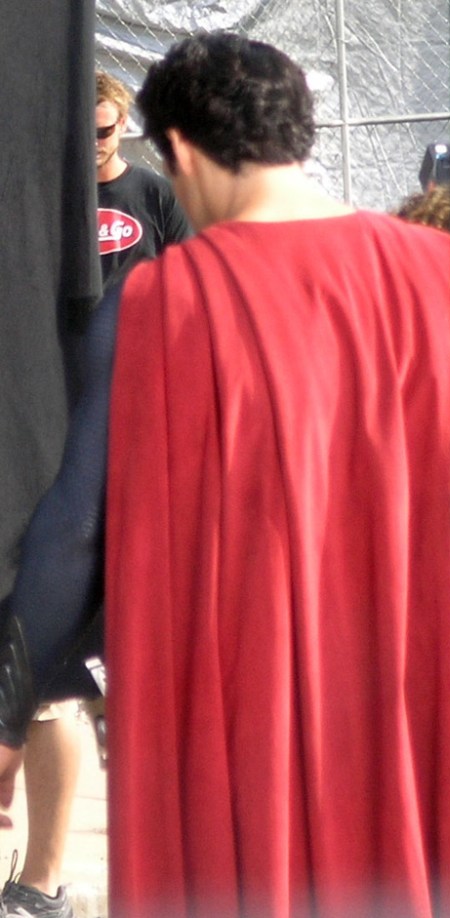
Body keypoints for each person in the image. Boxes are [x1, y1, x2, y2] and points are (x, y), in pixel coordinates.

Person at [0, 32, 450, 917]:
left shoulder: (162, 306)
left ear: (180, 152)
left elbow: (74, 529)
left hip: (262, 720)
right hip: (438, 694)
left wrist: (8, 714)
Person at [0, 70, 191, 918]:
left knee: (113, 667)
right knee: (53, 677)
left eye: (110, 131)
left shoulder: (151, 196)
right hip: (50, 436)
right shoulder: (38, 207)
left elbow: (195, 294)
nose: (99, 147)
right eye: (87, 134)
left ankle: (73, 874)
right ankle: (44, 881)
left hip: (138, 441)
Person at [95, 70, 191, 289]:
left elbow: (184, 277)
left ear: (122, 124)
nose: (94, 141)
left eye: (103, 132)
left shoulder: (159, 195)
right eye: (86, 132)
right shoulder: (54, 195)